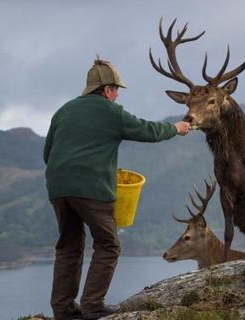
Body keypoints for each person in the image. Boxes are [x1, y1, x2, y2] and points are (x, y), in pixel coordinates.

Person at [44, 57, 191, 320]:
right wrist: (175, 128)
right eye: (117, 89)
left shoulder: (63, 111)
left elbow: (48, 153)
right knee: (108, 244)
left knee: (68, 246)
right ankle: (92, 306)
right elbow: (147, 130)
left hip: (58, 187)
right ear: (107, 89)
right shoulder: (111, 112)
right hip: (91, 189)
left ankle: (63, 311)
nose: (118, 94)